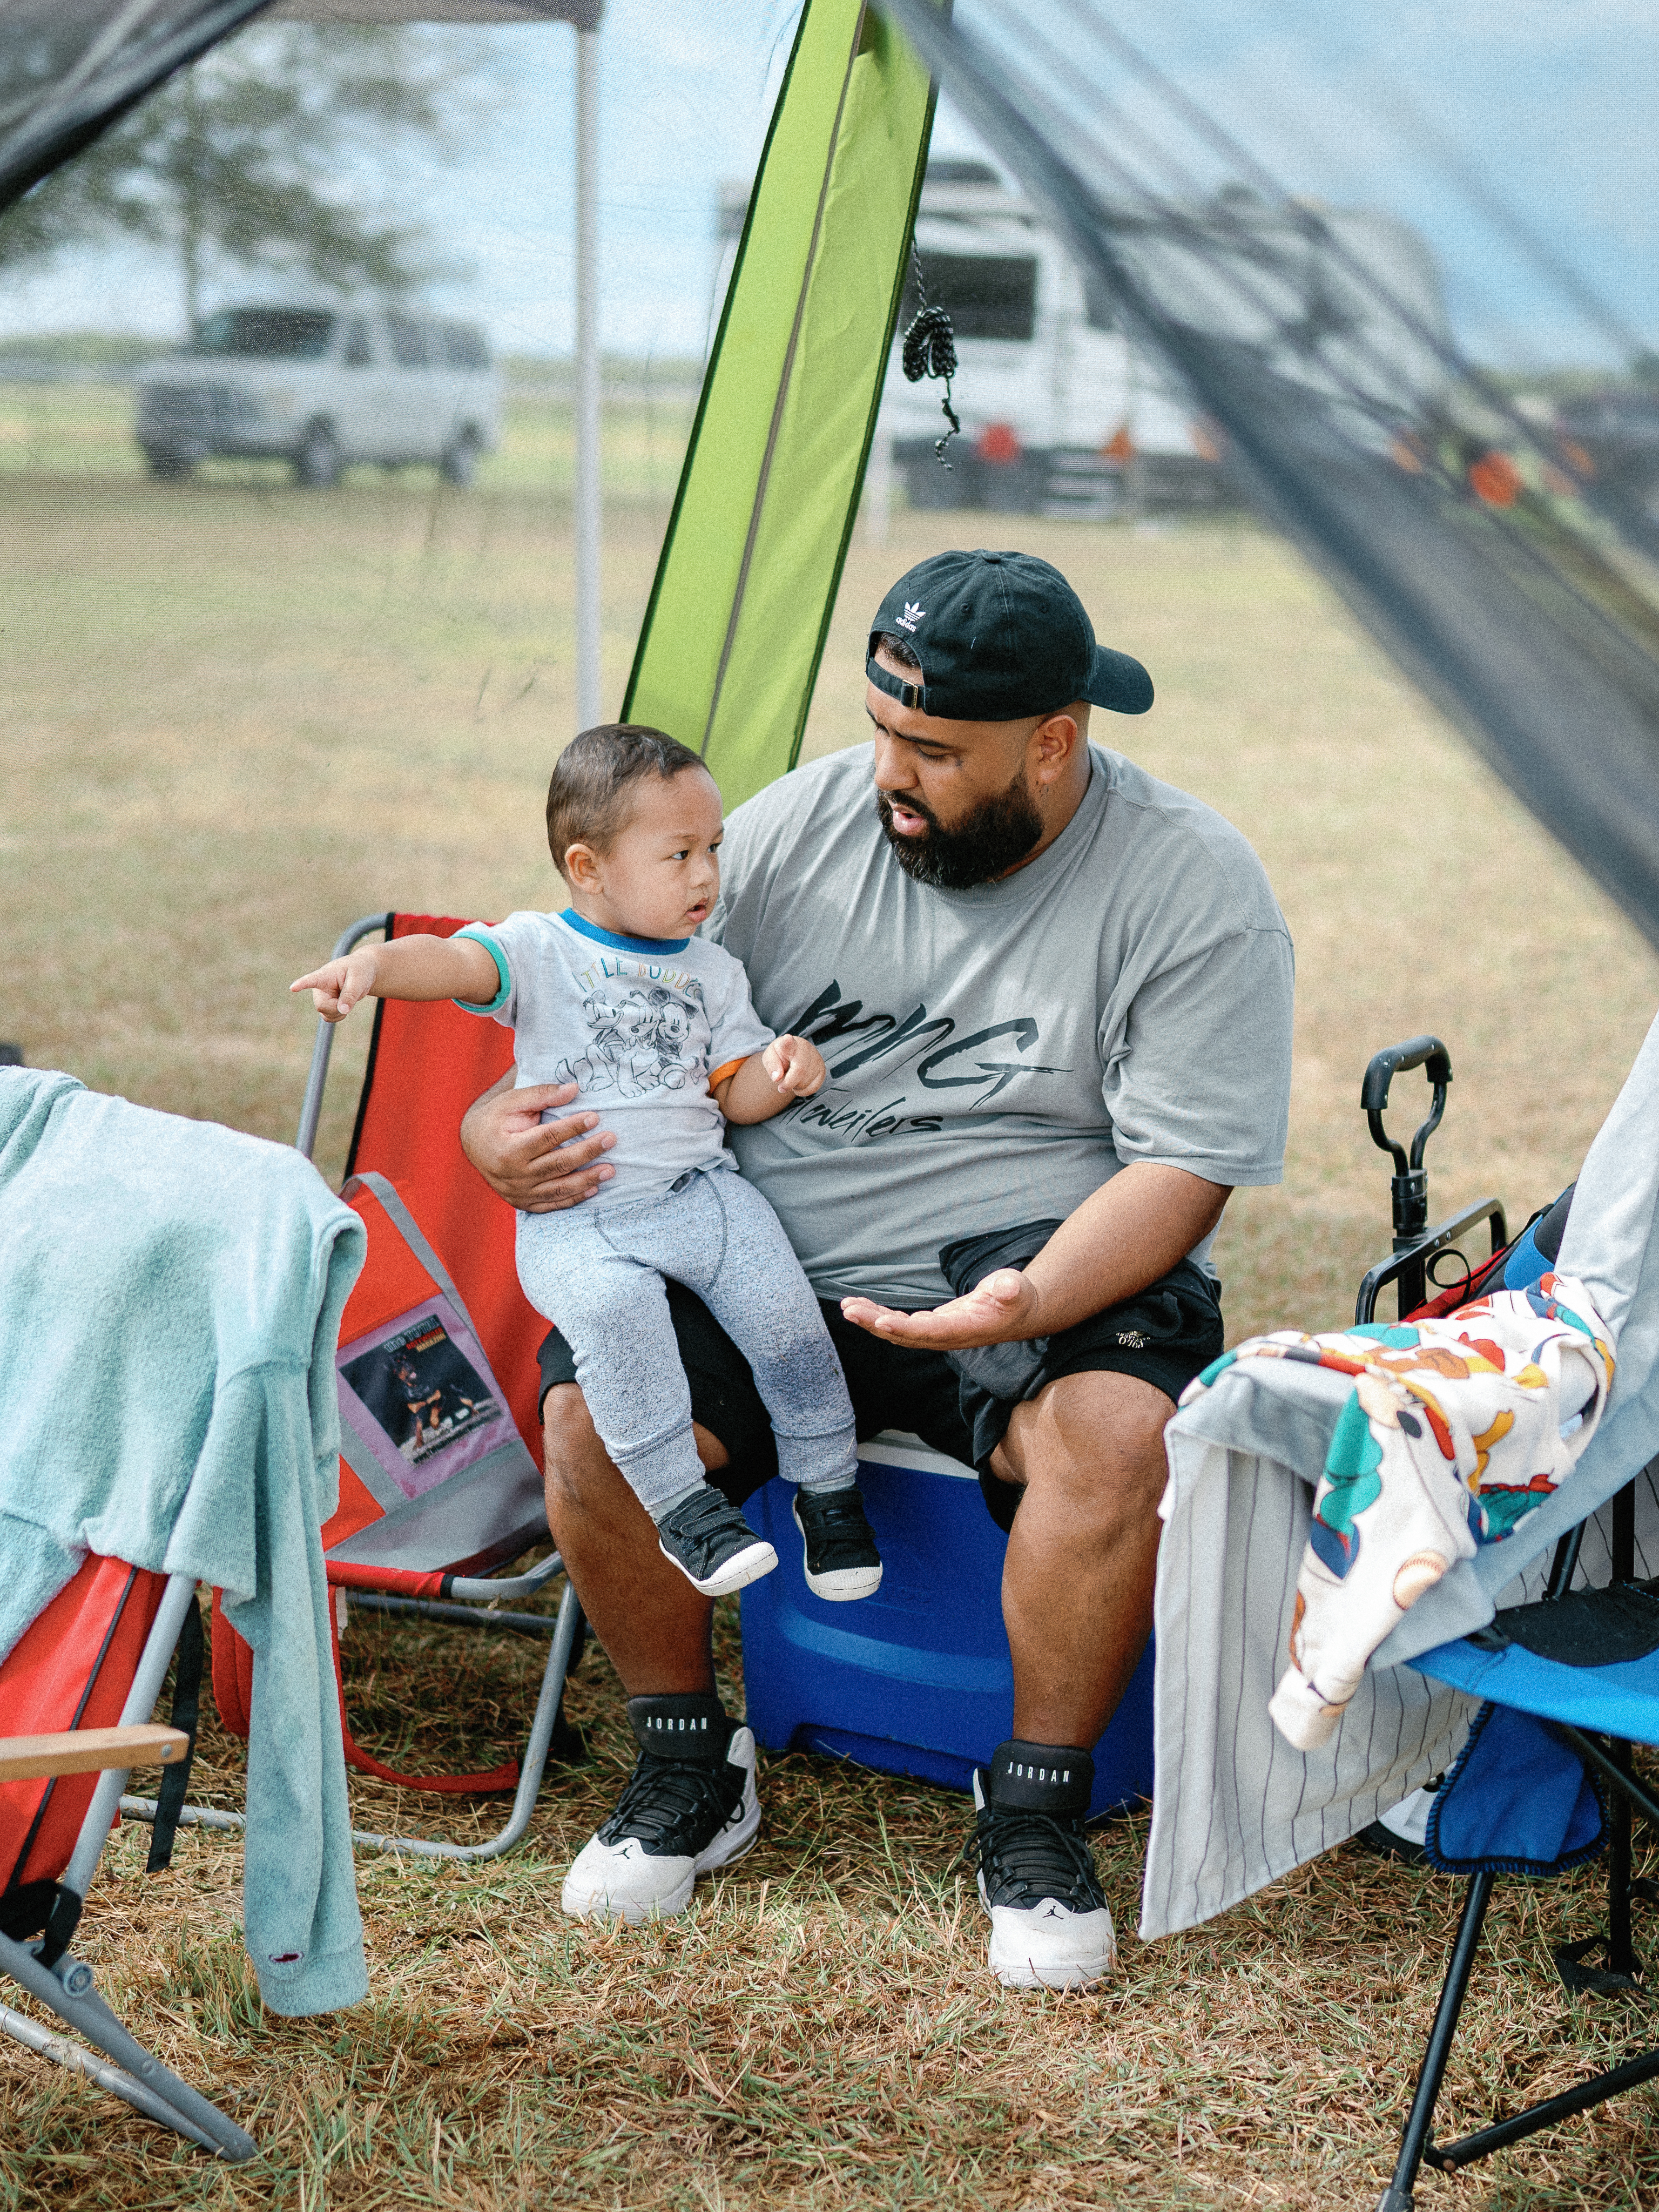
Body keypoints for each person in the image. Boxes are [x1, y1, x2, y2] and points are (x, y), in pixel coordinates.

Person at [462, 549, 1295, 1987]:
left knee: (1119, 1434)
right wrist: (491, 1132)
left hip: (1035, 1262)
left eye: (935, 752)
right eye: (882, 732)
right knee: (595, 1412)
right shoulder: (796, 829)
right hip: (767, 1249)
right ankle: (690, 1762)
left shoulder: (1194, 883)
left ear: (1054, 742)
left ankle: (1031, 1807)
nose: (889, 776)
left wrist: (1031, 1299)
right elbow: (602, 994)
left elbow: (1180, 1171)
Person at [292, 724, 884, 1606]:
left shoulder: (714, 974)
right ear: (588, 867)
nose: (707, 877)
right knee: (617, 1320)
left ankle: (828, 1489)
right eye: (678, 854)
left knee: (784, 1314)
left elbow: (735, 1092)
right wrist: (374, 965)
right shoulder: (540, 950)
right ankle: (683, 1507)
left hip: (703, 1197)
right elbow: (453, 962)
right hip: (586, 1222)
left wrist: (781, 1072)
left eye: (713, 849)